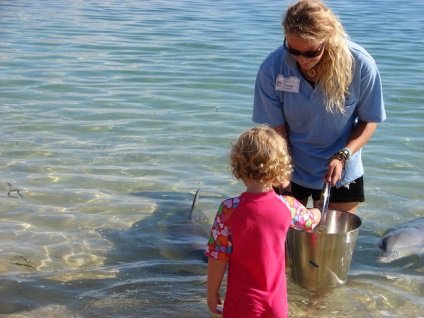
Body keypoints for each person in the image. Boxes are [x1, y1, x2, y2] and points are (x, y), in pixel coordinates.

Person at [253, 0, 386, 214]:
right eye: (293, 50)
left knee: (331, 245)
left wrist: (343, 155)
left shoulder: (361, 65)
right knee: (283, 244)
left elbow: (369, 120)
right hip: (289, 165)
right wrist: (283, 168)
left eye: (311, 53)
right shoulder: (272, 67)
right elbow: (277, 127)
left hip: (342, 170)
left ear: (329, 39)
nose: (301, 60)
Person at [205, 126, 321, 317]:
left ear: (239, 165)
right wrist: (318, 210)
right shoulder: (288, 206)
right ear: (280, 167)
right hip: (275, 303)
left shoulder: (228, 209)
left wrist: (212, 292)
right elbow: (310, 222)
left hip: (241, 301)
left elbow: (217, 257)